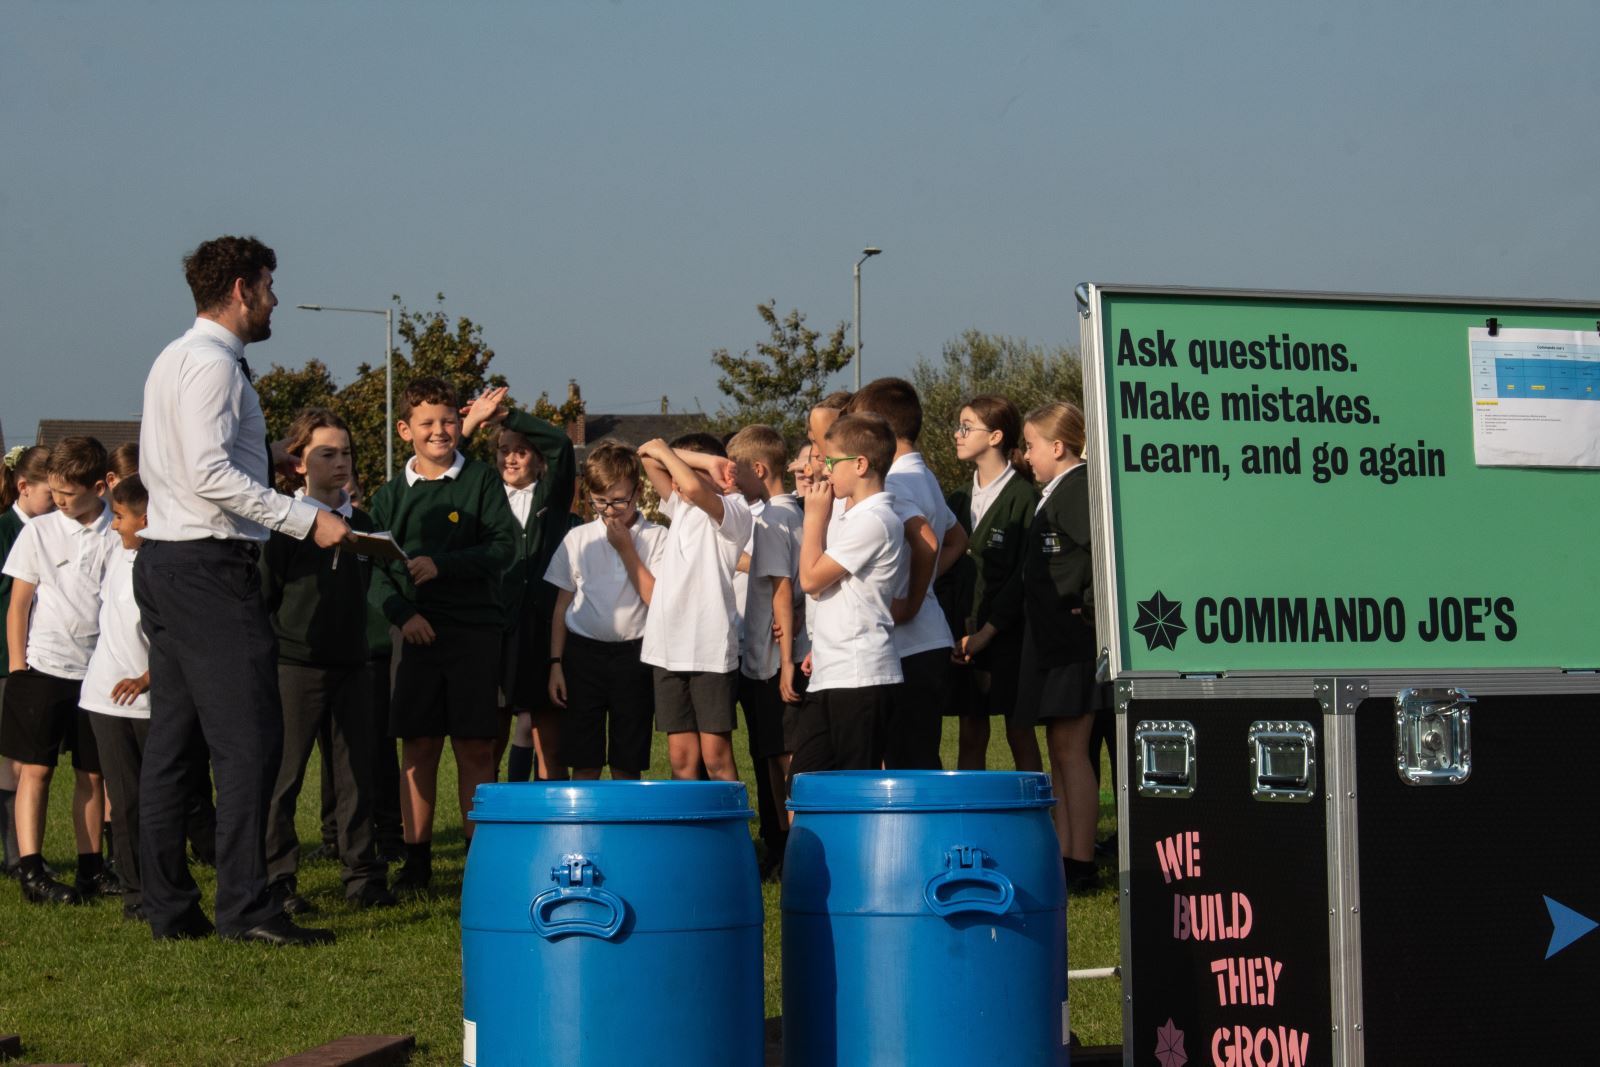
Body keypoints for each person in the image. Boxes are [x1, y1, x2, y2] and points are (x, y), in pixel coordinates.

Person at [136, 234, 350, 945]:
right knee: (249, 742)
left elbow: (180, 463)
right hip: (208, 568)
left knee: (172, 745)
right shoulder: (215, 367)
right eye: (267, 285)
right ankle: (247, 907)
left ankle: (167, 904)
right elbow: (205, 473)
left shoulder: (173, 358)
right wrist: (301, 518)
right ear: (239, 288)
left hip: (166, 559)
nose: (274, 299)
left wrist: (269, 459)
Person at [367, 375, 517, 893]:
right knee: (420, 748)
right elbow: (375, 570)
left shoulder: (481, 480)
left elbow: (504, 548)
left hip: (475, 633)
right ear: (405, 430)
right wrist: (403, 615)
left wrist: (445, 565)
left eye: (449, 420)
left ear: (461, 422)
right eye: (427, 423)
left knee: (477, 748)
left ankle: (480, 862)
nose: (440, 430)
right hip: (415, 638)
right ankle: (417, 863)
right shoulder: (387, 497)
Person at [260, 409, 394, 914]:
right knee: (284, 777)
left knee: (356, 774)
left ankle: (363, 877)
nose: (341, 463)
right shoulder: (281, 522)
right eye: (327, 454)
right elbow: (264, 597)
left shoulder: (362, 524)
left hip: (354, 665)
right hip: (294, 666)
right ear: (299, 464)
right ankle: (277, 879)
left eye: (347, 453)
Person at [1, 436, 116, 904]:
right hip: (43, 668)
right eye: (56, 494)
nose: (62, 503)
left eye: (69, 495)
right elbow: (20, 603)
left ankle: (92, 869)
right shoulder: (40, 532)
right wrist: (18, 666)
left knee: (93, 774)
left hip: (99, 673)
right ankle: (32, 870)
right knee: (36, 771)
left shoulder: (119, 531)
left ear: (100, 487)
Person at [998, 401, 1104, 894]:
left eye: (1033, 445)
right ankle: (1064, 851)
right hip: (1051, 641)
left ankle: (1081, 856)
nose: (1026, 455)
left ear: (1059, 447)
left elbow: (1102, 555)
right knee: (1060, 748)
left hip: (1072, 641)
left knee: (1070, 747)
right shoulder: (1053, 492)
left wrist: (1089, 607)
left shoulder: (1078, 489)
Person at [847, 378, 967, 770]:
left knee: (906, 764)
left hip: (910, 644)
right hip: (928, 641)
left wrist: (913, 599)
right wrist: (926, 582)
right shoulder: (924, 474)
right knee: (918, 758)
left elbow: (929, 541)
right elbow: (957, 540)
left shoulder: (896, 481)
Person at [461, 386, 577, 785]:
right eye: (503, 450)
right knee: (489, 731)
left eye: (520, 450)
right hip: (496, 627)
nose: (510, 457)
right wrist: (473, 422)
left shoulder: (552, 496)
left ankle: (550, 814)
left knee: (548, 735)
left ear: (537, 460)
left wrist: (506, 416)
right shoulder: (484, 495)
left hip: (542, 629)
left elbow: (562, 442)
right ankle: (491, 813)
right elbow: (449, 466)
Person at [790, 414, 907, 775]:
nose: (824, 471)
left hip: (861, 674)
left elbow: (811, 579)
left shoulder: (876, 520)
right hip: (832, 669)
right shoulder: (853, 515)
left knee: (855, 785)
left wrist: (813, 520)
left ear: (860, 464)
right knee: (804, 781)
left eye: (831, 461)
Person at [545, 442, 668, 781]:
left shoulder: (658, 538)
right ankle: (587, 827)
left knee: (627, 756)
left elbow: (656, 599)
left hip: (635, 655)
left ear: (638, 491)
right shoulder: (578, 538)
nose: (610, 511)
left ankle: (623, 826)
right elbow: (561, 606)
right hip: (583, 655)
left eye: (619, 501)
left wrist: (627, 549)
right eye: (600, 502)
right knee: (583, 755)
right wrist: (556, 664)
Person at [637, 433, 753, 782]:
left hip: (709, 649)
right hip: (667, 648)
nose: (675, 478)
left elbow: (692, 484)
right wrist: (705, 461)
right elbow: (646, 455)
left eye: (685, 469)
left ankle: (729, 833)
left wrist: (682, 460)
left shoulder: (735, 510)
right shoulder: (680, 506)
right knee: (681, 757)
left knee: (715, 756)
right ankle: (688, 833)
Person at [943, 395, 1041, 772]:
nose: (958, 434)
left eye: (967, 427)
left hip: (1009, 637)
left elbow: (1024, 576)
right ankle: (971, 819)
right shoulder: (956, 498)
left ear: (996, 436)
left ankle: (1040, 819)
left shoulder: (1024, 498)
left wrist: (988, 632)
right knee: (970, 730)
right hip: (962, 636)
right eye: (959, 425)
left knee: (1019, 732)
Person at [726, 425, 802, 876]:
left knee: (782, 757)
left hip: (775, 659)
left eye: (737, 472)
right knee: (773, 753)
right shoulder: (782, 514)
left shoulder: (776, 517)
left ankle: (789, 845)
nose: (732, 481)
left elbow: (783, 588)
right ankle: (781, 841)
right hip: (768, 656)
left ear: (759, 469)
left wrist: (785, 656)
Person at [80, 475, 153, 920]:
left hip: (153, 702)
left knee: (164, 798)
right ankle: (136, 894)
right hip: (105, 700)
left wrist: (148, 678)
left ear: (148, 520)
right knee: (124, 801)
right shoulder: (112, 552)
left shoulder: (166, 565)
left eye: (121, 518)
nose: (114, 525)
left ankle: (166, 881)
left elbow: (178, 637)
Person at [0, 444, 53, 876]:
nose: (57, 501)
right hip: (6, 660)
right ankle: (16, 855)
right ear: (24, 487)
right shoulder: (4, 532)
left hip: (41, 659)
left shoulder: (54, 530)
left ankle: (22, 853)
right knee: (10, 760)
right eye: (50, 493)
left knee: (29, 758)